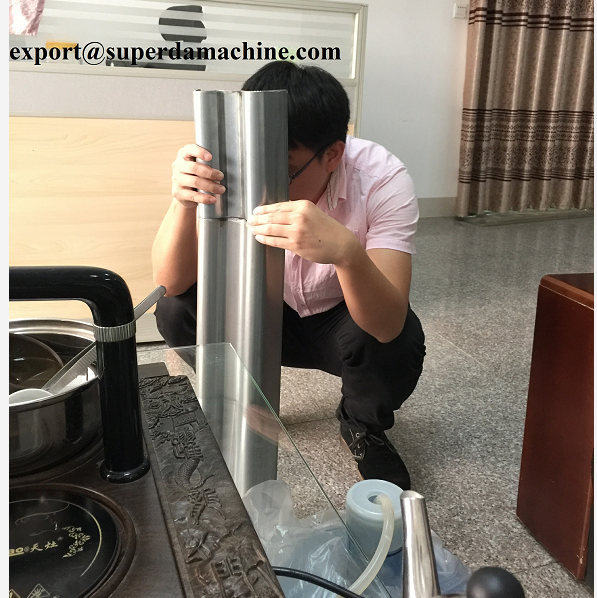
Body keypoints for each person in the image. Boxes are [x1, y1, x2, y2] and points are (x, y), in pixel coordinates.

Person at [152, 61, 426, 490]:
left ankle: (361, 425)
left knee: (397, 339)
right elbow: (170, 285)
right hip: (260, 307)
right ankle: (239, 397)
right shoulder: (228, 166)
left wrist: (347, 254)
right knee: (175, 310)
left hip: (339, 322)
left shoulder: (382, 179)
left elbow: (388, 322)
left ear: (332, 154)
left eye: (281, 170)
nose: (259, 184)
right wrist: (182, 202)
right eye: (252, 164)